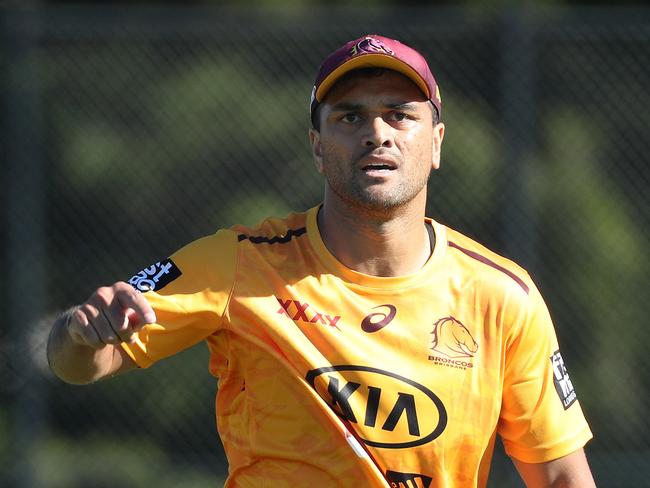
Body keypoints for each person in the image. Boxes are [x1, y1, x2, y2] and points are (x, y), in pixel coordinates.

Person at [47, 34, 596, 487]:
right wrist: (80, 333)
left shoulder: (502, 296)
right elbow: (78, 364)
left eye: (400, 115)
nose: (377, 133)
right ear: (316, 146)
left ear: (436, 143)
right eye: (350, 118)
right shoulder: (238, 263)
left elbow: (562, 476)